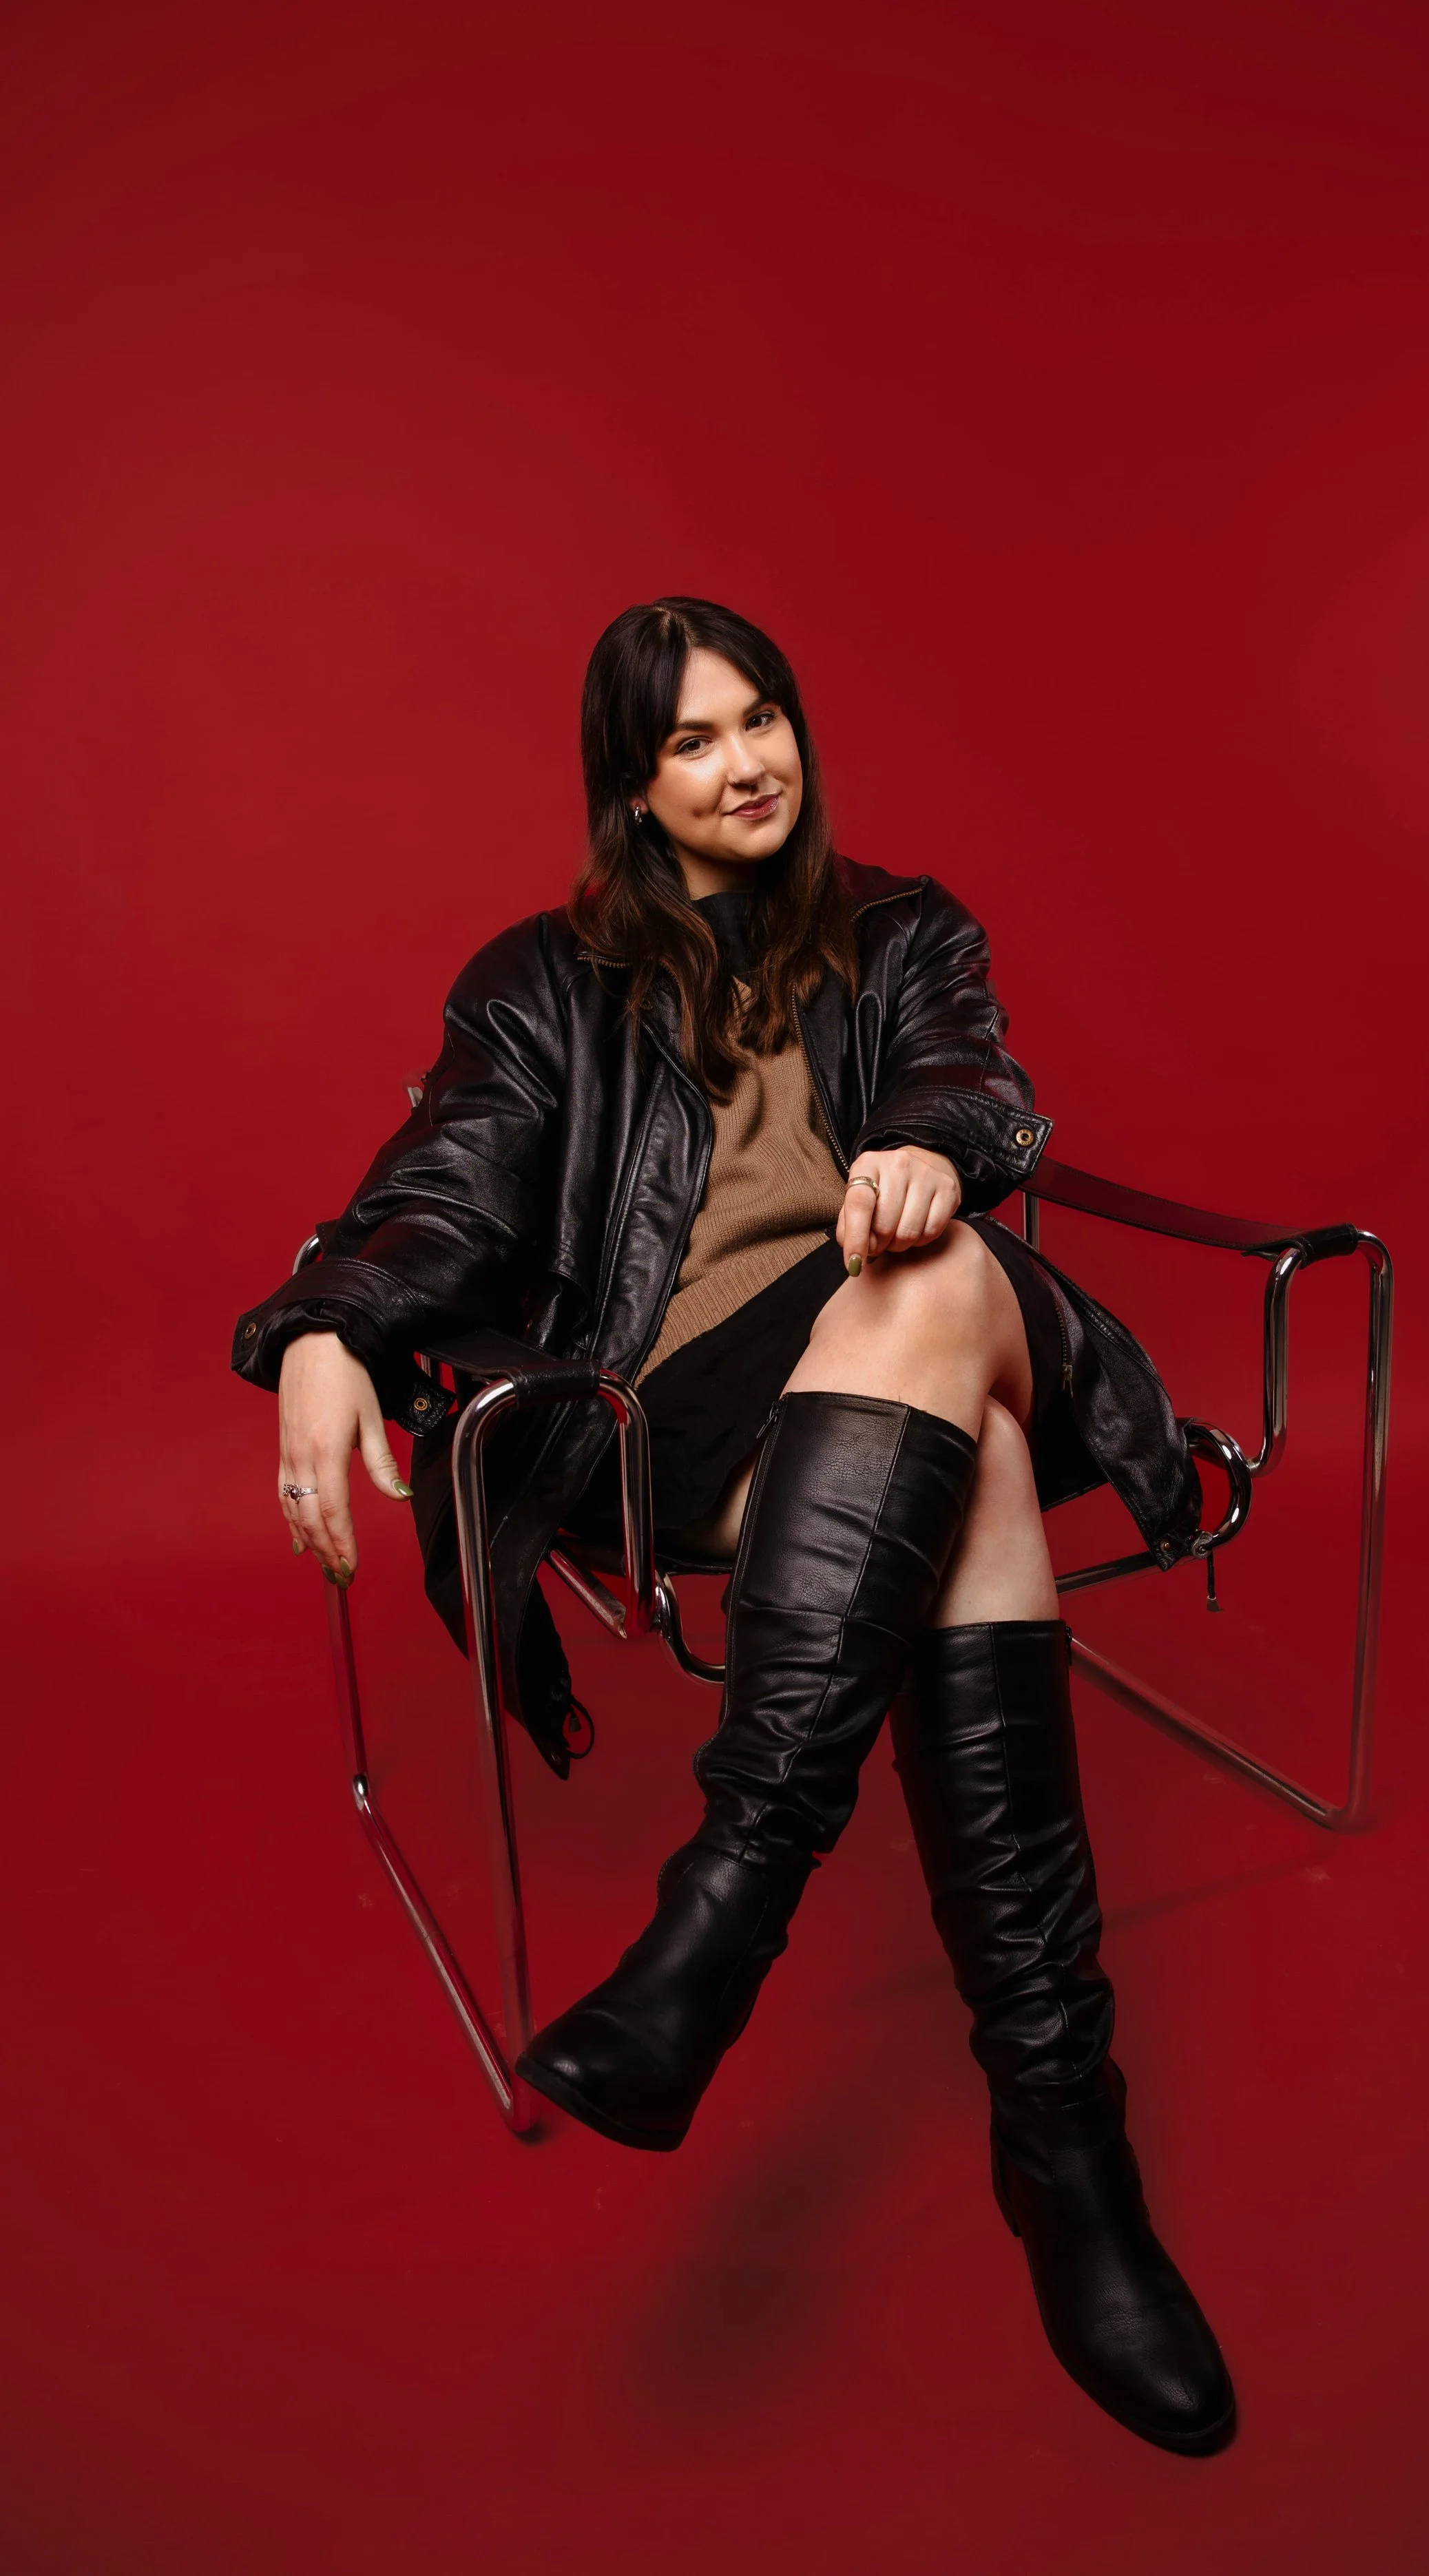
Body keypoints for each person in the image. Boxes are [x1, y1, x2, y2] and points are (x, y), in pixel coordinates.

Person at [231, 597, 1235, 2453]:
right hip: (690, 1405)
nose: (740, 761)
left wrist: (934, 1139)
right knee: (977, 1475)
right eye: (689, 740)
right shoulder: (543, 981)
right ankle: (1064, 2147)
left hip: (908, 1300)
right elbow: (438, 1194)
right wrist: (314, 1334)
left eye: (758, 717)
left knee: (928, 1283)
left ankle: (717, 1934)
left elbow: (969, 1074)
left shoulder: (903, 927)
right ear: (632, 782)